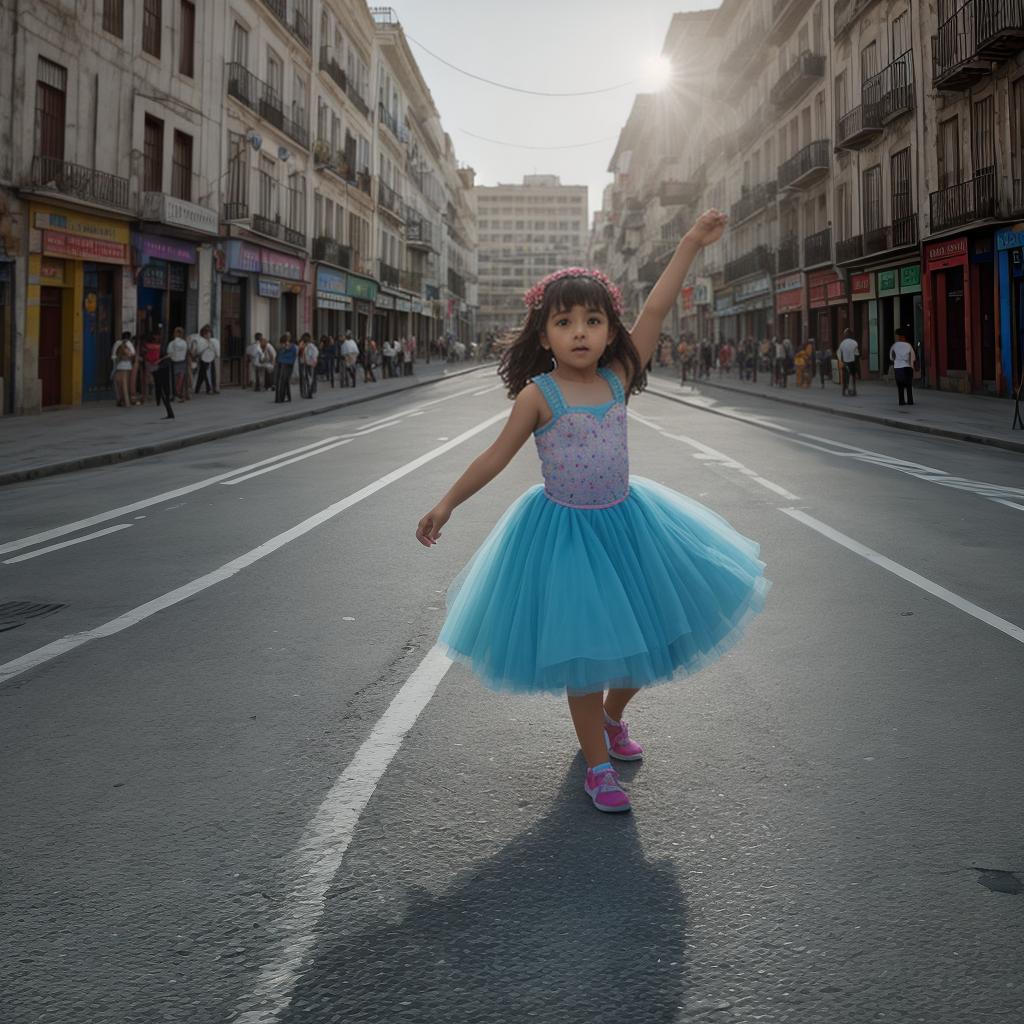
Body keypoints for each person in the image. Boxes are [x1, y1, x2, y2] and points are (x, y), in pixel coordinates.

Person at [415, 211, 769, 814]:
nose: (580, 331)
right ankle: (598, 768)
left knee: (651, 638)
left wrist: (688, 244)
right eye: (565, 322)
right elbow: (496, 457)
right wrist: (446, 502)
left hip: (629, 523)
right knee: (585, 655)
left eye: (593, 320)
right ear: (544, 333)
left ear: (610, 332)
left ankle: (611, 719)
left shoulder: (617, 377)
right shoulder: (538, 395)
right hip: (566, 535)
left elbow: (655, 312)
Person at [890, 328, 916, 407]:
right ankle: (910, 400)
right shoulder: (908, 345)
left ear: (898, 336)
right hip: (908, 367)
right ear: (904, 337)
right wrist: (912, 365)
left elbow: (891, 357)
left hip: (898, 367)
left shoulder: (894, 346)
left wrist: (897, 360)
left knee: (900, 385)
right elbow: (913, 357)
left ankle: (901, 401)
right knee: (909, 385)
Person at [192, 325, 220, 394]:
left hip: (211, 359)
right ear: (203, 334)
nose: (208, 334)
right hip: (203, 360)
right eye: (206, 333)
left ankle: (210, 388)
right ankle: (209, 389)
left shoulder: (213, 341)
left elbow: (215, 351)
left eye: (209, 333)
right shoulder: (201, 342)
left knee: (210, 374)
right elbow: (197, 352)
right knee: (207, 375)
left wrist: (216, 353)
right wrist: (205, 347)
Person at [110, 332, 135, 408]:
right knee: (125, 384)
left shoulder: (117, 343)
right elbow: (133, 353)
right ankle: (126, 402)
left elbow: (113, 355)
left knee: (118, 384)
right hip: (127, 366)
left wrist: (116, 362)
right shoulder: (129, 343)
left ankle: (121, 400)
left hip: (119, 365)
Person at [166, 327, 190, 400]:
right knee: (182, 379)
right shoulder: (184, 343)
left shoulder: (172, 343)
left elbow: (168, 352)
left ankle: (174, 394)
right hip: (182, 362)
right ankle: (183, 394)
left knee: (174, 379)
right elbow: (186, 352)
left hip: (174, 362)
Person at [274, 333, 296, 403]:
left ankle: (281, 397)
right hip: (286, 365)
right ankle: (283, 397)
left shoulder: (282, 347)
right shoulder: (290, 346)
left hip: (282, 364)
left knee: (281, 381)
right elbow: (294, 355)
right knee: (284, 381)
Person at [837, 329, 860, 396]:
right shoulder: (855, 343)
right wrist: (856, 363)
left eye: (844, 334)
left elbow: (839, 353)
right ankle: (854, 389)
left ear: (846, 335)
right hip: (852, 362)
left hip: (845, 362)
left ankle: (844, 390)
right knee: (853, 376)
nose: (844, 335)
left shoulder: (842, 343)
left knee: (845, 377)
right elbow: (857, 354)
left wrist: (841, 361)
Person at [300, 332, 319, 398]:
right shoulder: (304, 346)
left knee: (309, 378)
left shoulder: (311, 346)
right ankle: (307, 392)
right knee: (307, 378)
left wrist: (314, 362)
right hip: (305, 363)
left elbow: (314, 354)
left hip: (310, 364)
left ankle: (309, 392)